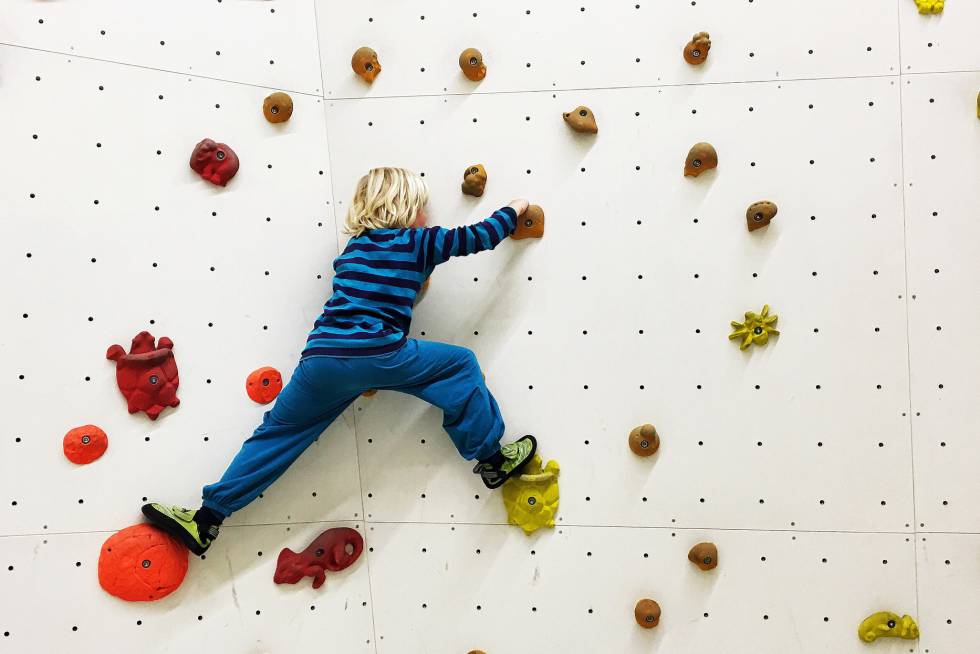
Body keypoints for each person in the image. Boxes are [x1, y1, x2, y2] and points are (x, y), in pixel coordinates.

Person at [142, 167, 537, 555]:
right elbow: (477, 238)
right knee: (460, 365)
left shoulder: (354, 250)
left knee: (276, 435)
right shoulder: (418, 241)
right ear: (405, 207)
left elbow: (380, 291)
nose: (427, 217)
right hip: (379, 353)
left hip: (321, 360)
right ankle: (493, 458)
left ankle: (207, 520)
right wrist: (516, 208)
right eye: (422, 208)